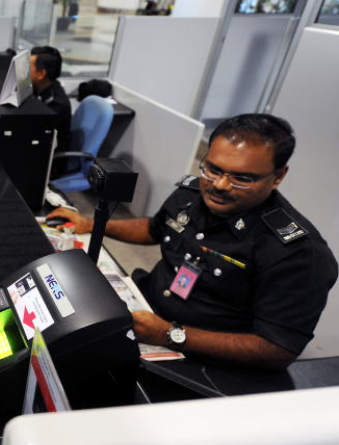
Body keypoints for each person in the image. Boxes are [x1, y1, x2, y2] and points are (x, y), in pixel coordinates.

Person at [47, 114, 337, 369]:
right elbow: (153, 229)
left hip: (201, 357)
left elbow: (276, 349)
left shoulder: (298, 253)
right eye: (213, 169)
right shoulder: (193, 193)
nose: (219, 185)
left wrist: (170, 335)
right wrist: (92, 224)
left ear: (278, 176)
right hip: (148, 311)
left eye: (241, 178)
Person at [30, 46, 72, 152]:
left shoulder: (56, 105)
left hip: (51, 157)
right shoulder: (41, 88)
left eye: (28, 67)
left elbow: (36, 133)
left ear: (41, 74)